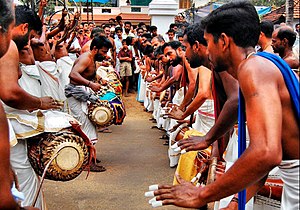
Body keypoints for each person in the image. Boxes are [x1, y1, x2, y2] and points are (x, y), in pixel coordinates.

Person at [150, 1, 299, 209]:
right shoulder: (262, 64)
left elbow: (267, 152)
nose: (207, 50)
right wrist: (237, 201)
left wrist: (202, 195)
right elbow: (271, 152)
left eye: (207, 41)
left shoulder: (253, 69)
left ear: (223, 41)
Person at [65, 35, 112, 172]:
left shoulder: (91, 58)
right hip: (76, 95)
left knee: (89, 125)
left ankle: (89, 156)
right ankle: (87, 162)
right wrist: (90, 84)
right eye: (103, 51)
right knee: (85, 127)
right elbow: (73, 75)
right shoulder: (86, 58)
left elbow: (86, 74)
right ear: (95, 49)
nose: (105, 55)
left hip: (82, 93)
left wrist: (97, 80)